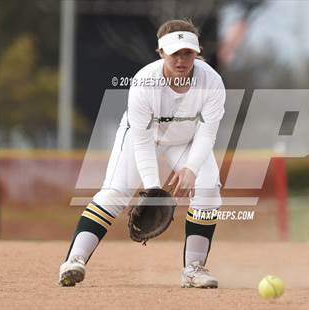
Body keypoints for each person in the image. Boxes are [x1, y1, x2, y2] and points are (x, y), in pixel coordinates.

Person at [59, 19, 226, 288]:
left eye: (188, 53)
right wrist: (153, 190)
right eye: (175, 53)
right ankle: (74, 261)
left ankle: (194, 269)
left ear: (198, 52)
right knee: (115, 192)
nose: (181, 60)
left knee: (208, 188)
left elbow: (207, 133)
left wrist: (191, 168)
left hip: (186, 139)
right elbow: (143, 142)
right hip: (144, 136)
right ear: (161, 53)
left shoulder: (212, 82)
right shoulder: (144, 82)